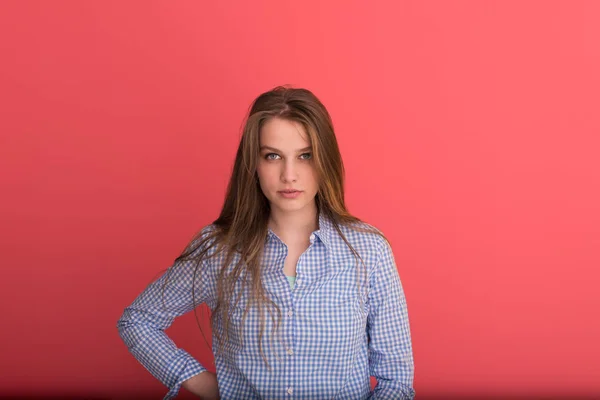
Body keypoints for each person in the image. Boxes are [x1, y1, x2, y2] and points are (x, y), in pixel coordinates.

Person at [116, 86, 415, 399]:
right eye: (273, 156)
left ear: (325, 160)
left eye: (305, 156)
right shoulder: (219, 249)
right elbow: (138, 321)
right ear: (253, 164)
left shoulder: (369, 251)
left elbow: (396, 382)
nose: (289, 175)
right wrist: (208, 386)